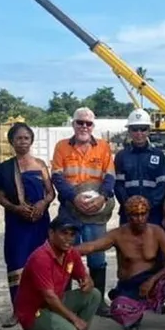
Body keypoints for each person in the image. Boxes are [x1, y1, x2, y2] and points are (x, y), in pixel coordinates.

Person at [78, 196, 165, 330]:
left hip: (153, 283)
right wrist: (67, 250)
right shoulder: (118, 234)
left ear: (148, 214)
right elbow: (92, 246)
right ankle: (135, 315)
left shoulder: (156, 232)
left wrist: (153, 280)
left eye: (143, 214)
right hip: (129, 286)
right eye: (135, 215)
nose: (140, 219)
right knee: (119, 311)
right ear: (128, 215)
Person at [50, 107, 116, 317]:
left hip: (96, 211)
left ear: (93, 126)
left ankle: (98, 302)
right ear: (73, 124)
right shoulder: (62, 147)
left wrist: (103, 197)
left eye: (88, 123)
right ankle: (66, 301)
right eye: (80, 122)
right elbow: (57, 177)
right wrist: (73, 197)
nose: (84, 127)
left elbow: (110, 176)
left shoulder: (104, 147)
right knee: (68, 254)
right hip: (71, 210)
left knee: (97, 257)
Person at [0, 122, 54, 327]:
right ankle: (18, 310)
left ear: (31, 140)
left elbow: (50, 192)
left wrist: (43, 203)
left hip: (39, 221)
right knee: (17, 263)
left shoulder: (40, 165)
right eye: (18, 138)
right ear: (12, 142)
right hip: (17, 222)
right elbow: (1, 196)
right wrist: (16, 209)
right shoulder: (5, 169)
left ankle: (43, 306)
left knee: (41, 263)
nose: (23, 142)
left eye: (26, 138)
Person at [17, 216, 102, 330]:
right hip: (33, 311)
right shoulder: (41, 258)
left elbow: (85, 277)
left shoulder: (71, 253)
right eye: (64, 233)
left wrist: (88, 282)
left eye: (72, 234)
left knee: (94, 294)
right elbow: (49, 297)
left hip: (54, 303)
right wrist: (75, 320)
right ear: (51, 233)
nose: (69, 238)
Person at [114, 109, 165, 226]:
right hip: (128, 213)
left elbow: (162, 185)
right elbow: (118, 185)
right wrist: (130, 204)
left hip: (153, 214)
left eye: (143, 129)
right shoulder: (121, 156)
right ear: (129, 131)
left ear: (149, 131)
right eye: (135, 129)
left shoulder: (158, 155)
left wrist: (147, 204)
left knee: (152, 244)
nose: (139, 133)